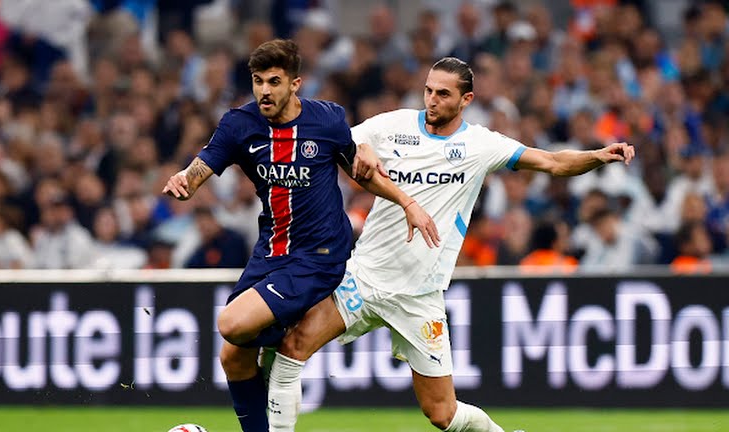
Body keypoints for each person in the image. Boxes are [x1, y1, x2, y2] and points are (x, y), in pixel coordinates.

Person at [267, 57, 635, 432]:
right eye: (428, 90)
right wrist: (362, 148)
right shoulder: (392, 126)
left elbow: (552, 162)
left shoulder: (480, 145)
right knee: (292, 348)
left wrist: (596, 156)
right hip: (364, 280)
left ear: (466, 99)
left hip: (419, 296)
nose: (432, 100)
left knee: (442, 414)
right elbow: (340, 140)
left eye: (443, 94)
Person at [161, 39, 440, 432]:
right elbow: (201, 166)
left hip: (320, 255)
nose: (264, 91)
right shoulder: (239, 125)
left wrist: (406, 202)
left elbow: (360, 172)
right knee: (232, 358)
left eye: (274, 81)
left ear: (295, 84)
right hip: (271, 252)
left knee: (231, 324)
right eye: (258, 81)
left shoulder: (327, 120)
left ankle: (283, 331)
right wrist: (184, 180)